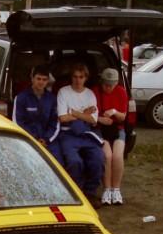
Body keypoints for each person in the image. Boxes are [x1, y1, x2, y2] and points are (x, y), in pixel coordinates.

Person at [57, 62, 104, 207]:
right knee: (74, 161)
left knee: (98, 158)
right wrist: (84, 113)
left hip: (87, 132)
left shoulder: (90, 94)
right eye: (75, 77)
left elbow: (93, 120)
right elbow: (63, 118)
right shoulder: (63, 92)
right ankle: (76, 193)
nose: (78, 80)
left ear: (86, 78)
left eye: (81, 77)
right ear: (71, 77)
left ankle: (90, 193)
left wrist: (75, 113)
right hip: (68, 133)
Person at [12, 66, 62, 163]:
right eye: (38, 79)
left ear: (48, 81)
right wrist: (34, 139)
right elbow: (18, 122)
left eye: (44, 79)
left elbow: (55, 123)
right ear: (32, 79)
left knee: (58, 163)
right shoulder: (21, 98)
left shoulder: (52, 99)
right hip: (28, 139)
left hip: (48, 141)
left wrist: (46, 140)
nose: (41, 82)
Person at [95, 68, 128, 205]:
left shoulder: (121, 91)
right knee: (107, 156)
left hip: (117, 129)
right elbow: (91, 115)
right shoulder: (95, 91)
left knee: (118, 156)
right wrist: (100, 119)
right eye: (105, 84)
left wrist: (114, 112)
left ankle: (116, 189)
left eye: (111, 85)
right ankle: (107, 189)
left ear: (115, 84)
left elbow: (123, 117)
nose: (108, 88)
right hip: (101, 129)